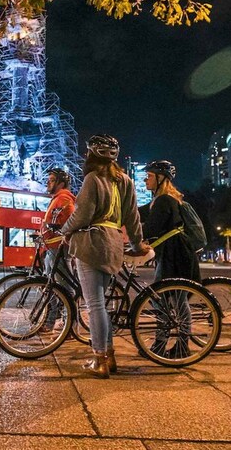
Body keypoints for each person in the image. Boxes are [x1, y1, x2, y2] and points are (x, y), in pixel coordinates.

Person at [59, 135, 149, 378]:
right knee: (103, 305)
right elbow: (132, 217)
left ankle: (99, 359)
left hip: (92, 244)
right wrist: (138, 243)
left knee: (94, 304)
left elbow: (82, 215)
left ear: (92, 154)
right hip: (113, 245)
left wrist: (63, 231)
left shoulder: (92, 178)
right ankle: (109, 357)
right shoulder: (126, 180)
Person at [139, 159, 200, 358]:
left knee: (168, 299)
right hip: (173, 253)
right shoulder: (160, 200)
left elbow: (150, 229)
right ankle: (166, 344)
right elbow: (137, 213)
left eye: (149, 176)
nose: (145, 179)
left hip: (176, 254)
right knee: (169, 299)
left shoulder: (165, 200)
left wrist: (133, 236)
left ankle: (176, 344)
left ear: (160, 178)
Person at [39, 168, 76, 332]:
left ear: (61, 183)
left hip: (59, 248)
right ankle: (50, 321)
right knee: (51, 286)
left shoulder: (63, 199)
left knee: (66, 288)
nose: (48, 182)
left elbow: (56, 221)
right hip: (52, 248)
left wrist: (47, 228)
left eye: (52, 179)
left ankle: (70, 326)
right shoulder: (57, 198)